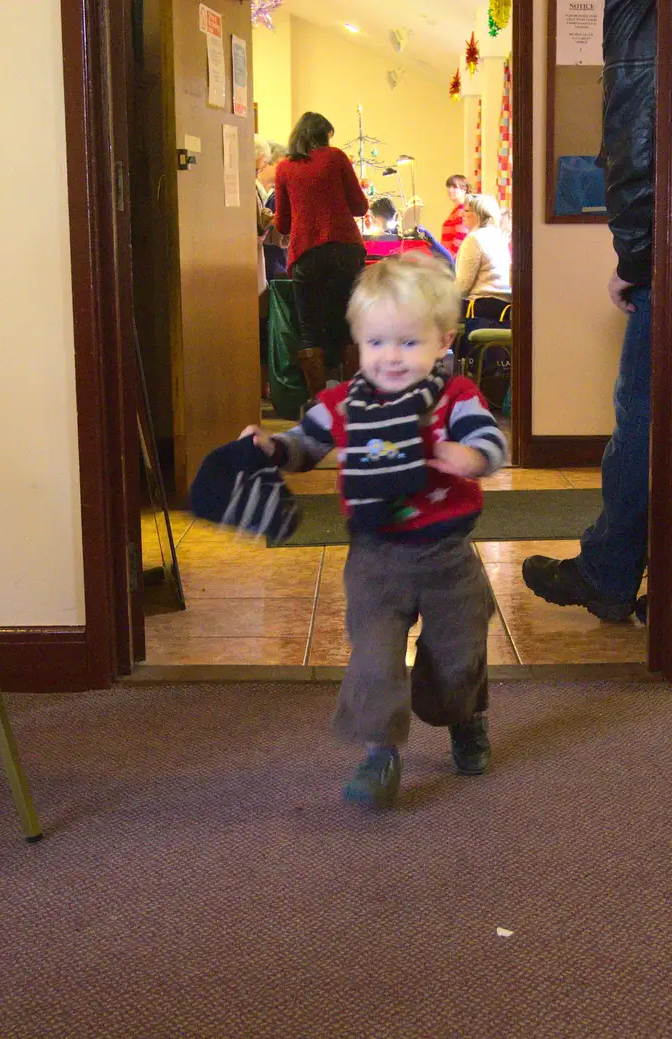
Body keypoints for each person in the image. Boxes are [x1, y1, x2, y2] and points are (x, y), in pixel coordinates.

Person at [241, 254, 507, 808]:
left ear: (443, 342)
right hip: (376, 555)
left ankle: (464, 716)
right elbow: (304, 446)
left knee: (459, 654)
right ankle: (379, 752)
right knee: (375, 656)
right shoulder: (342, 404)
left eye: (409, 343)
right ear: (357, 342)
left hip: (446, 554)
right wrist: (272, 449)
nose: (390, 357)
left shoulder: (455, 399)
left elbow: (489, 443)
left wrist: (473, 456)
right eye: (376, 343)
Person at [521, 0, 655, 622]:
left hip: (668, 260)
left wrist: (633, 260)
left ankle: (608, 572)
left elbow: (635, 145)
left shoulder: (636, 12)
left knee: (642, 421)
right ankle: (671, 578)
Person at [275, 112, 370, 395]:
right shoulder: (335, 157)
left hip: (307, 254)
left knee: (309, 330)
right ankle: (353, 397)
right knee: (349, 322)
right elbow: (360, 207)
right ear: (323, 135)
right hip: (345, 250)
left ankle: (318, 403)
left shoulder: (284, 168)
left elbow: (282, 224)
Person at [256, 137, 289, 399]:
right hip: (266, 263)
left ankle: (264, 384)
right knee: (262, 327)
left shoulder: (269, 193)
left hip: (272, 261)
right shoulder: (264, 193)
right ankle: (262, 384)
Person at [454, 193, 513, 337]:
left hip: (481, 306)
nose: (462, 214)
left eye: (466, 211)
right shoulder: (498, 236)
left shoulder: (474, 239)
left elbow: (463, 285)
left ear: (479, 215)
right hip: (502, 306)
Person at [439, 174, 471, 257]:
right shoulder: (457, 209)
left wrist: (449, 257)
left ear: (464, 189)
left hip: (454, 259)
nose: (450, 190)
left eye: (454, 187)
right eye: (449, 187)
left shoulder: (461, 209)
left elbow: (461, 236)